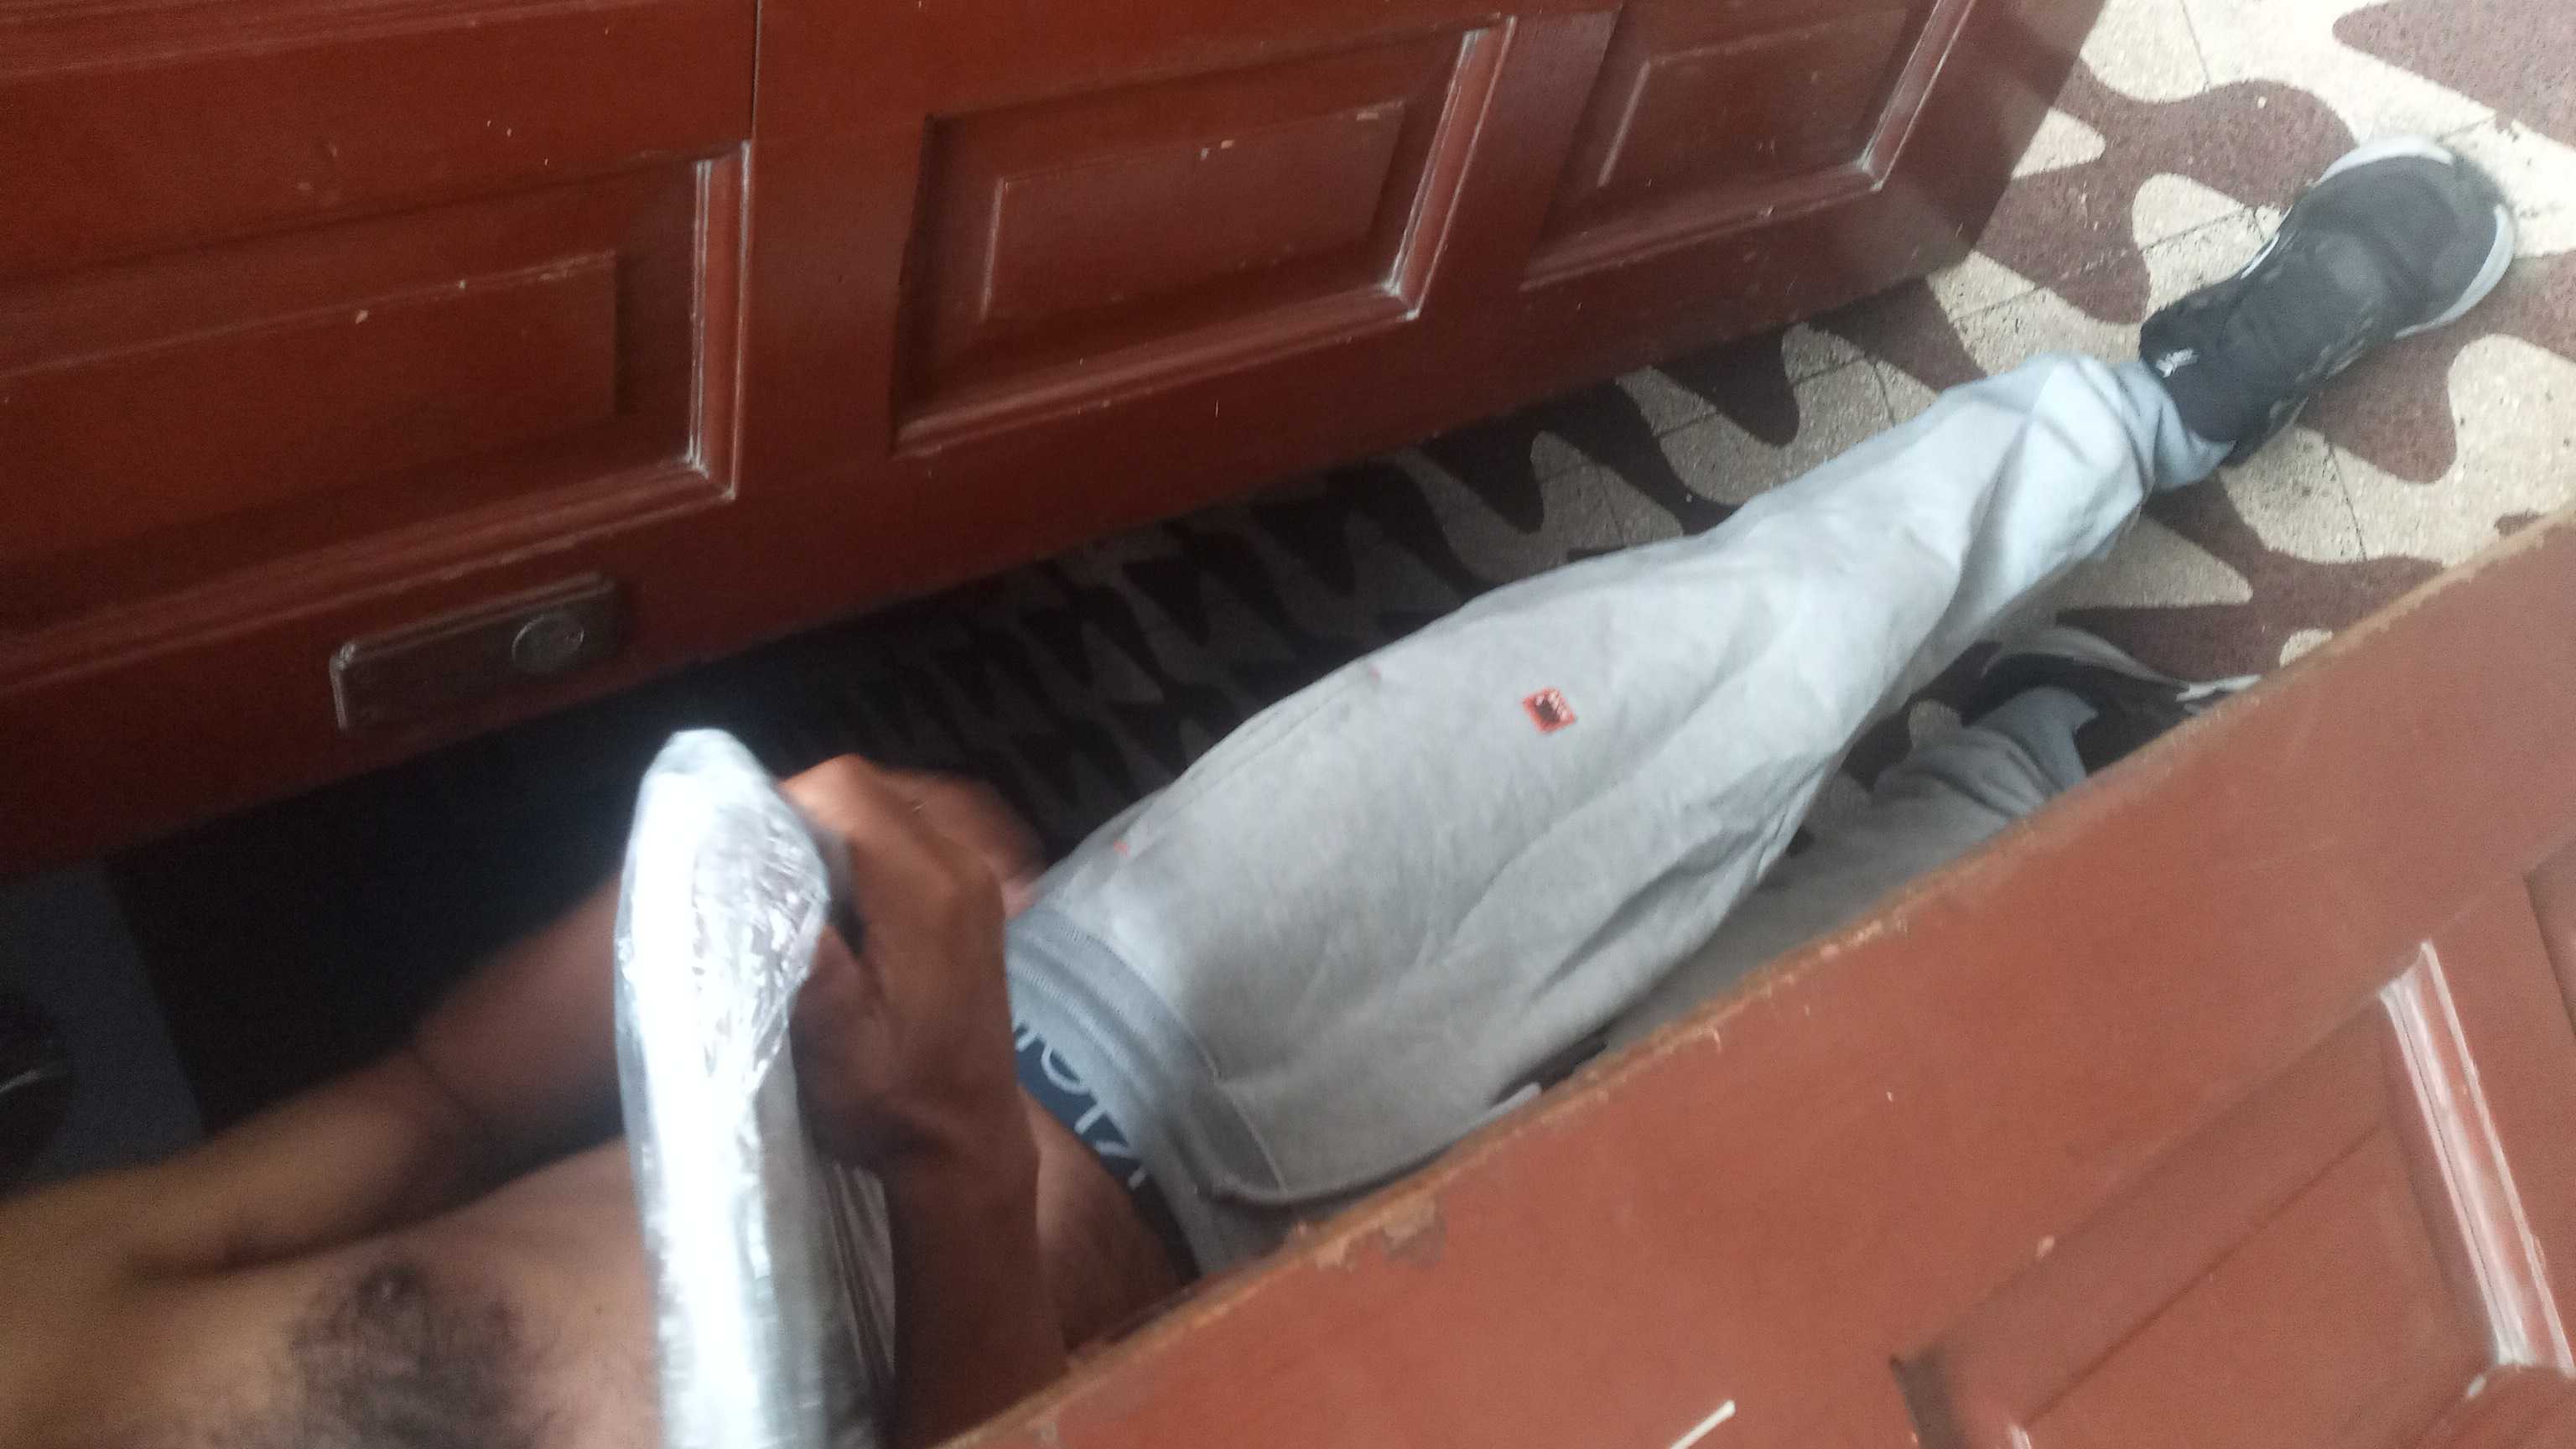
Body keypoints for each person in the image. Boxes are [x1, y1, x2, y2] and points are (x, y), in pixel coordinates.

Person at [0, 138, 2513, 1449]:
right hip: (1280, 1374)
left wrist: (756, 881)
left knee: (1695, 661)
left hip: (1125, 1013)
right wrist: (946, 1148)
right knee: (1811, 1062)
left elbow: (435, 1103)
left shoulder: (33, 1337)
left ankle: (2162, 403)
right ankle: (2018, 775)